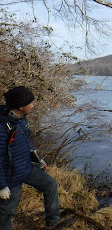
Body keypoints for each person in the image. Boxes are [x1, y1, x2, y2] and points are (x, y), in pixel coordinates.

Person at [0, 86, 60, 229]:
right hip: (10, 177)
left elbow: (27, 143)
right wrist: (2, 186)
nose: (33, 106)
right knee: (5, 213)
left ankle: (54, 223)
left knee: (50, 185)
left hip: (26, 169)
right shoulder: (2, 128)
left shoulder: (21, 120)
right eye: (31, 103)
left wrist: (38, 159)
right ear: (21, 106)